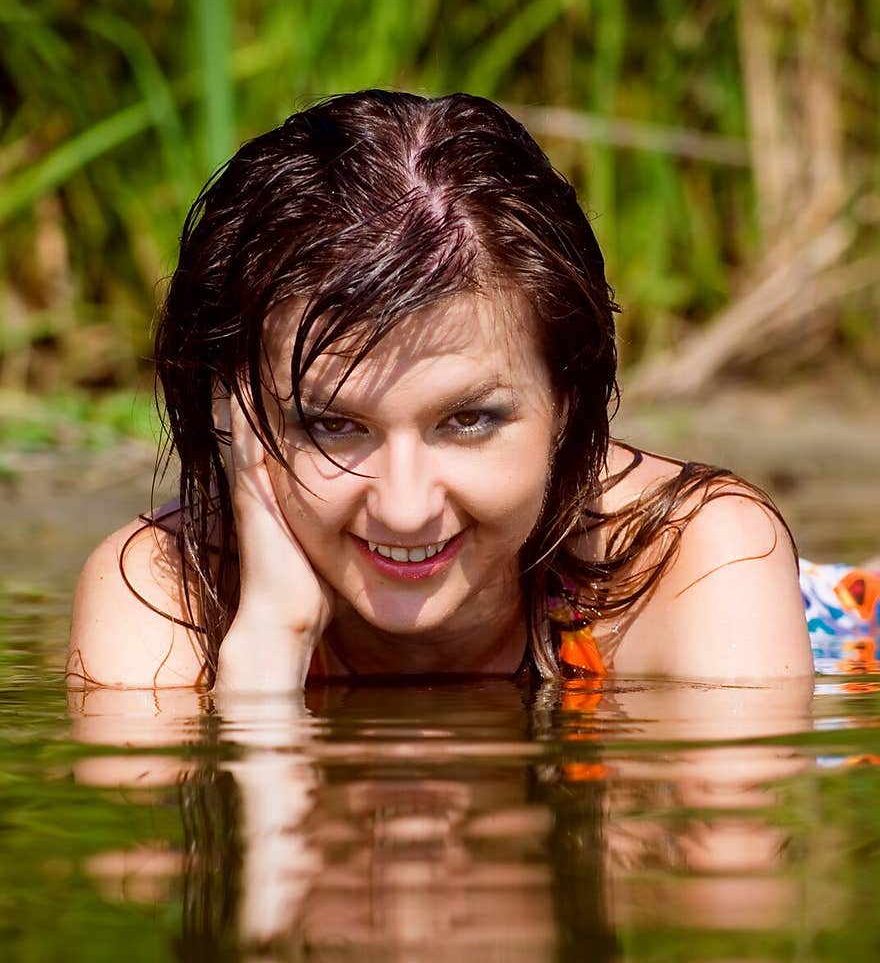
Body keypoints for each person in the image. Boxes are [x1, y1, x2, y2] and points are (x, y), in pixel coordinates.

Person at [66, 88, 862, 697]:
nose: (405, 508)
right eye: (335, 427)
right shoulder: (166, 593)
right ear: (229, 409)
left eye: (469, 420)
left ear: (568, 407)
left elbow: (733, 886)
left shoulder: (698, 561)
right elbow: (224, 888)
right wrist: (270, 644)